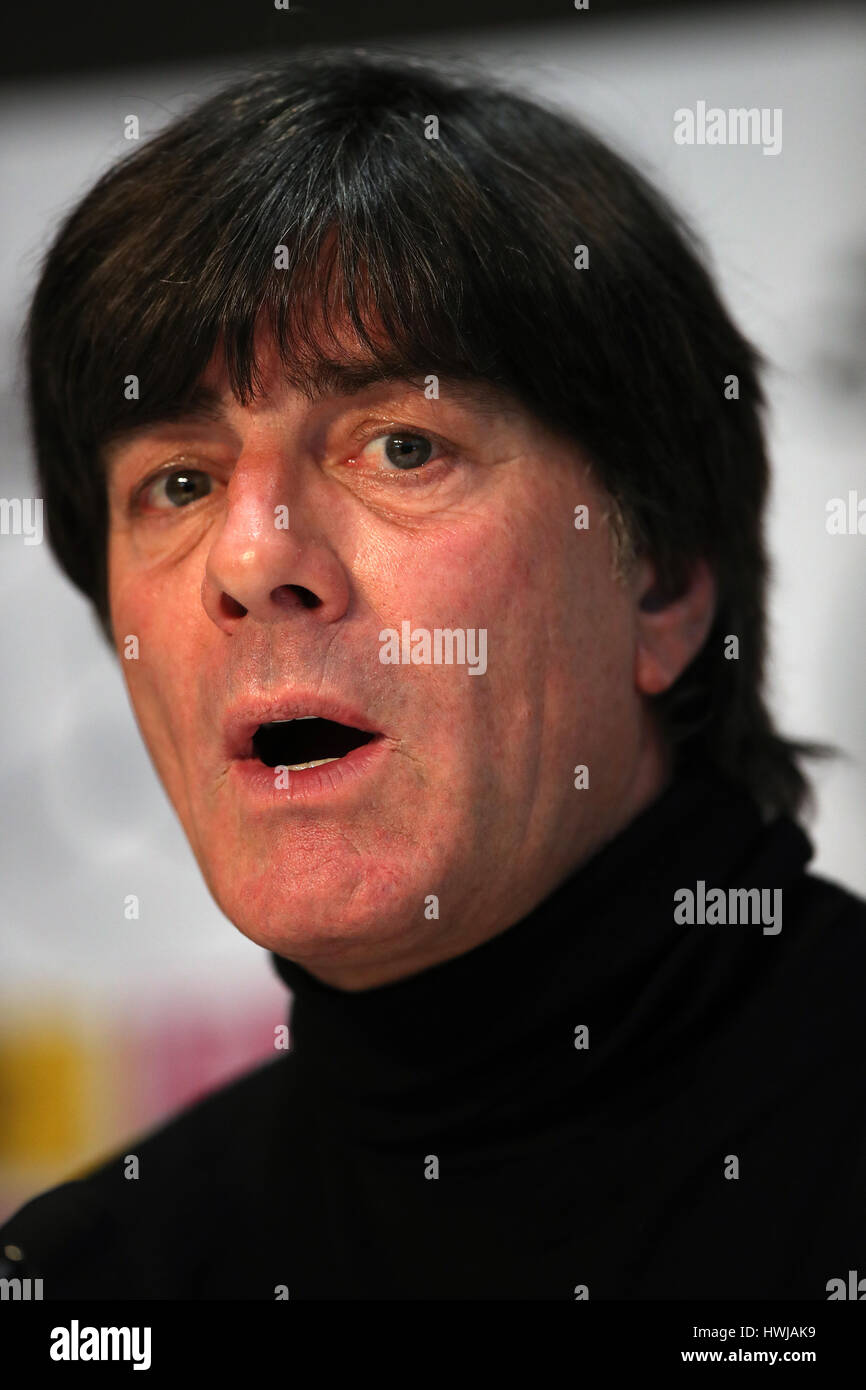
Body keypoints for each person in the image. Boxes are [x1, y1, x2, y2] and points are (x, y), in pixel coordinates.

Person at [2, 47, 863, 1301]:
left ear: (661, 580)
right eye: (177, 484)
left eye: (399, 446)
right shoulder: (87, 1291)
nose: (250, 560)